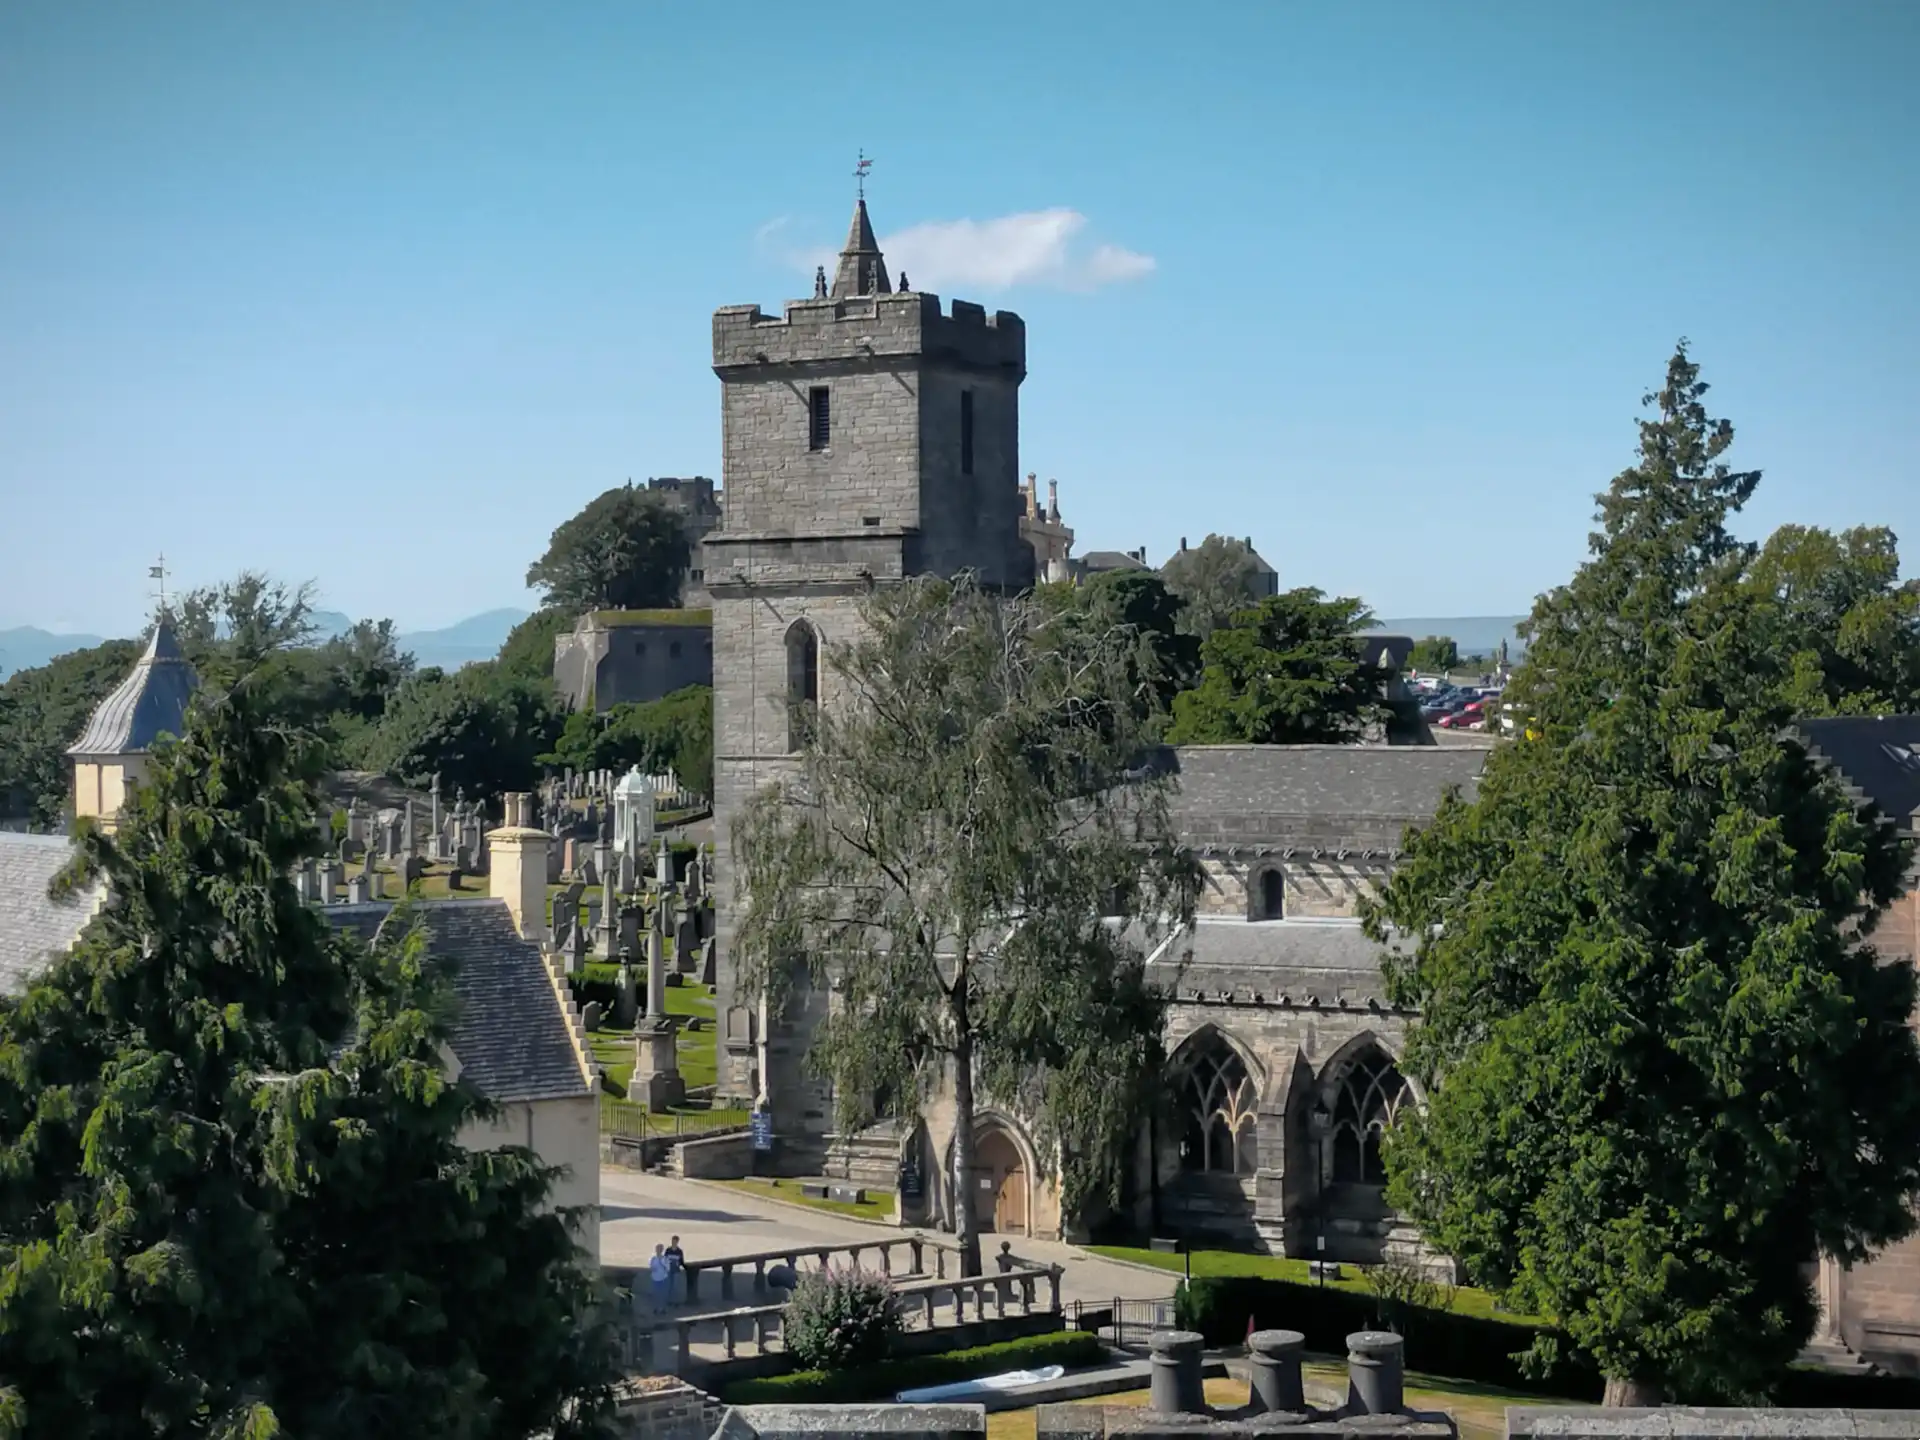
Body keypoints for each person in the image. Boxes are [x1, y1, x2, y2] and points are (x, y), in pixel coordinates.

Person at [648, 1243, 671, 1315]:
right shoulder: (653, 1259)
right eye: (657, 1249)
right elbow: (651, 1268)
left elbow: (668, 1268)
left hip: (663, 1278)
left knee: (663, 1295)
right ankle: (657, 1308)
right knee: (656, 1294)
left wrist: (663, 1265)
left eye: (659, 1249)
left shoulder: (665, 1259)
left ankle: (662, 1308)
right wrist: (653, 1269)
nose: (658, 1250)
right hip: (655, 1278)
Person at [664, 1234, 686, 1305]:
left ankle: (674, 1301)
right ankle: (669, 1300)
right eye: (673, 1241)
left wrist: (681, 1266)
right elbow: (664, 1259)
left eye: (675, 1241)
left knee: (675, 1286)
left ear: (677, 1242)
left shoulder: (679, 1251)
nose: (674, 1243)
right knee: (669, 1286)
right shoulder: (668, 1250)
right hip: (669, 1270)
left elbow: (681, 1261)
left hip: (676, 1270)